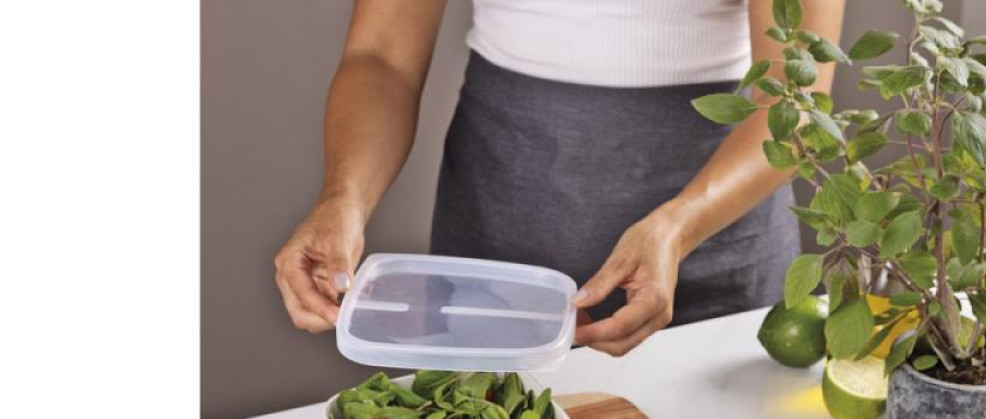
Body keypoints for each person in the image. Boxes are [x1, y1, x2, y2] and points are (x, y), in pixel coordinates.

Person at [275, 0, 844, 357]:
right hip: (491, 256)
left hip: (718, 253)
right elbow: (382, 57)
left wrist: (677, 229)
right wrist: (343, 198)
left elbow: (797, 105)